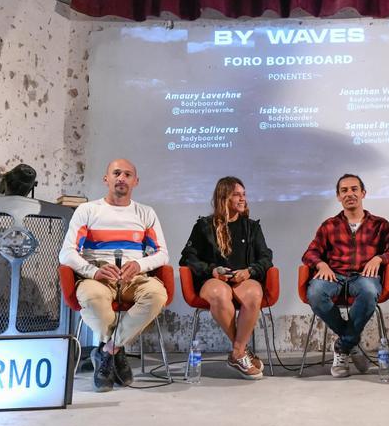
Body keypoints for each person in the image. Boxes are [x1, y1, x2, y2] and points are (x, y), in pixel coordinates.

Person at [59, 159, 169, 393]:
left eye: (128, 174)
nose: (122, 178)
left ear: (135, 182)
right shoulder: (88, 210)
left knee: (157, 294)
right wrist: (94, 271)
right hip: (98, 275)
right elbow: (66, 253)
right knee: (93, 297)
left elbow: (162, 254)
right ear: (106, 179)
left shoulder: (145, 213)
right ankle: (116, 353)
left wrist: (139, 265)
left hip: (133, 275)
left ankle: (108, 350)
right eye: (116, 173)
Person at [302, 174, 389, 377]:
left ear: (363, 193)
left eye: (354, 189)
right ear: (338, 197)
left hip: (364, 276)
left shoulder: (380, 225)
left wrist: (380, 259)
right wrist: (321, 264)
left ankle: (342, 347)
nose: (350, 194)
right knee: (314, 293)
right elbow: (310, 253)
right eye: (344, 190)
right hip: (335, 275)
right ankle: (352, 342)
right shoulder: (329, 225)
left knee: (368, 291)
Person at [179, 176, 273, 380]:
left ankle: (237, 353)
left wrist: (249, 271)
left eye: (244, 194)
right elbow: (188, 258)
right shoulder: (204, 226)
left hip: (242, 278)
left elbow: (266, 257)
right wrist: (212, 270)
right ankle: (242, 351)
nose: (243, 199)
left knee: (254, 294)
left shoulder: (251, 227)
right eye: (237, 195)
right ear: (224, 198)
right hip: (213, 280)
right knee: (220, 294)